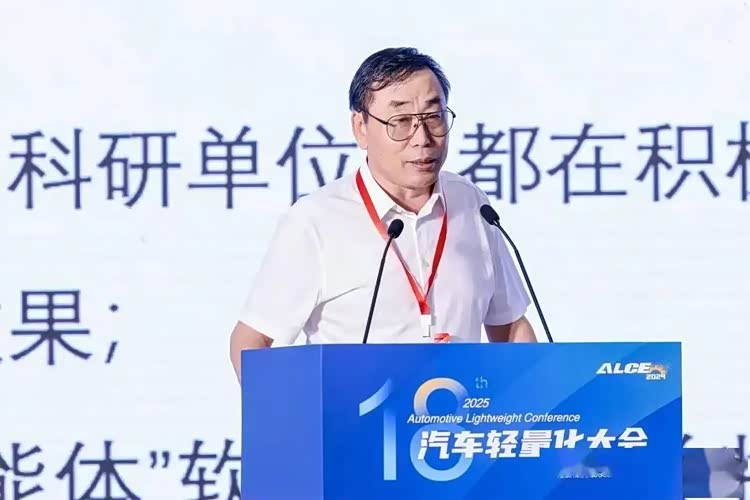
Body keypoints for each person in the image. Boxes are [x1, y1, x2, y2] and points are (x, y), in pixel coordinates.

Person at [229, 47, 536, 381]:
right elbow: (251, 341)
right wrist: (287, 412)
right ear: (360, 127)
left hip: (458, 412)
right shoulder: (315, 220)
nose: (422, 138)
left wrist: (535, 399)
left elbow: (511, 328)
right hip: (355, 413)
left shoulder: (472, 204)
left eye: (434, 117)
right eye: (400, 122)